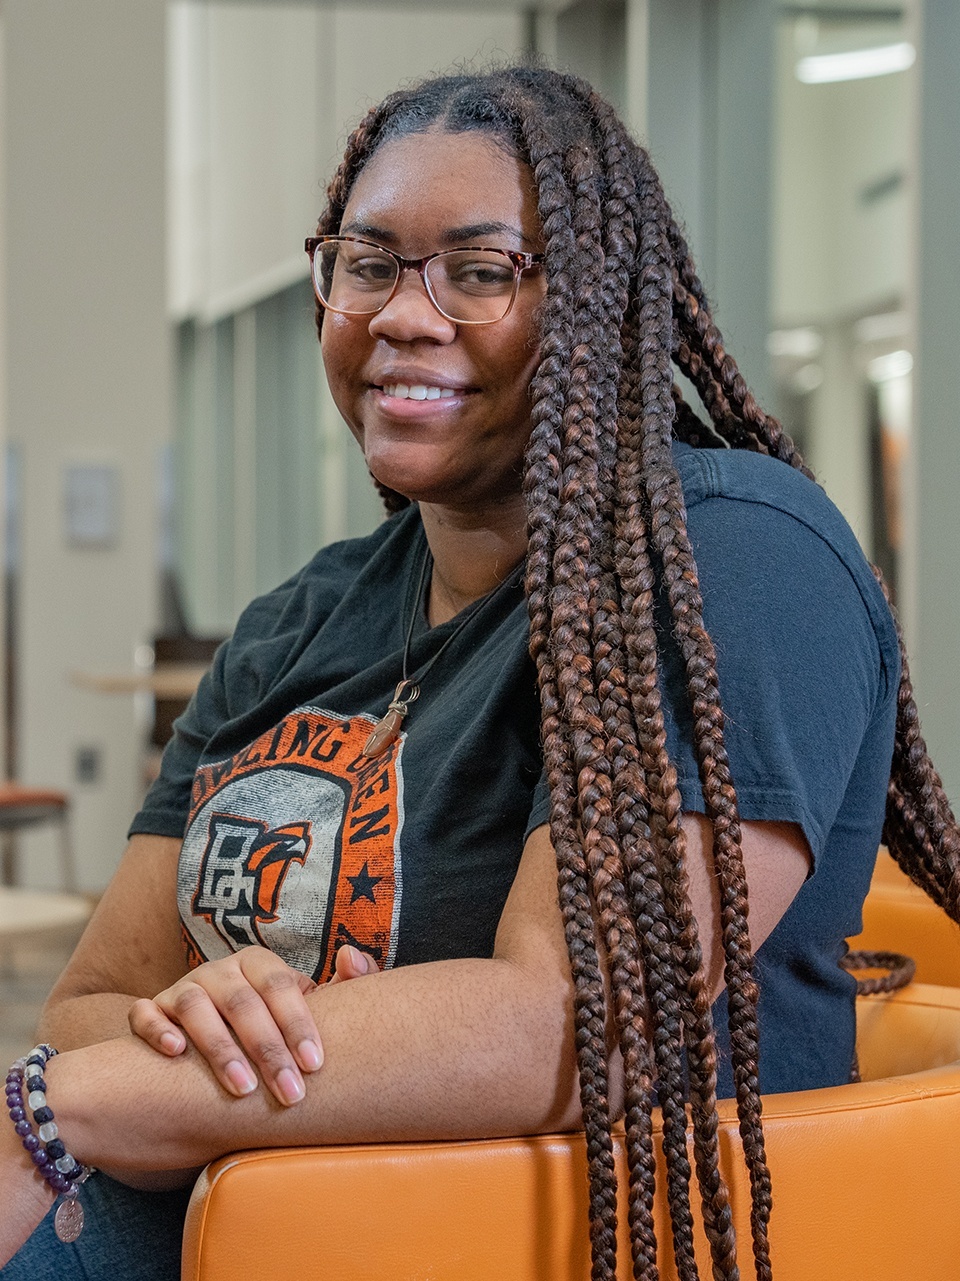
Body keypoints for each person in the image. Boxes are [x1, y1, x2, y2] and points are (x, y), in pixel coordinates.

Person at [2, 65, 957, 1281]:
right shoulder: (297, 621)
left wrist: (71, 1105)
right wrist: (209, 1027)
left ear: (599, 302)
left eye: (481, 270)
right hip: (220, 1229)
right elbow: (88, 1002)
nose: (405, 314)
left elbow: (576, 1021)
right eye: (368, 262)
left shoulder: (731, 556)